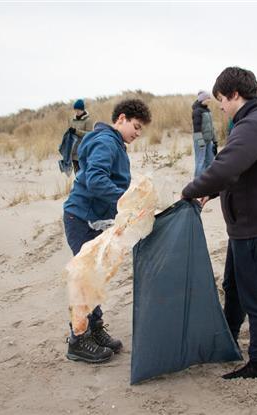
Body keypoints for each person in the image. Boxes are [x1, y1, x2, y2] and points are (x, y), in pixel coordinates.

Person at [181, 67, 257, 380]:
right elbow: (239, 172)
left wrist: (191, 190)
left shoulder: (253, 124)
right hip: (247, 226)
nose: (221, 107)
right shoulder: (252, 122)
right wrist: (210, 194)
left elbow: (226, 167)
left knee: (255, 296)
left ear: (235, 95)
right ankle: (228, 340)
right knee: (234, 288)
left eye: (222, 101)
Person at [63, 98, 151, 363]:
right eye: (135, 126)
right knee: (85, 278)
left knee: (96, 276)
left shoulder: (116, 144)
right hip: (80, 218)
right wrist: (127, 200)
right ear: (121, 118)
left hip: (97, 220)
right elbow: (96, 179)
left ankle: (96, 329)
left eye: (141, 130)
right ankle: (78, 341)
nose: (137, 133)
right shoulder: (105, 141)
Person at [192, 91, 216, 177]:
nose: (210, 100)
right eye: (208, 98)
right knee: (200, 162)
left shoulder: (208, 110)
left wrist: (215, 141)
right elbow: (196, 129)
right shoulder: (197, 111)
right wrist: (201, 143)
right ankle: (197, 183)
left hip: (209, 141)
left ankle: (206, 182)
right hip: (200, 141)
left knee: (210, 161)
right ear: (203, 99)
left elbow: (211, 127)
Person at [67, 99, 95, 174]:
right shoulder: (73, 120)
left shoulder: (88, 120)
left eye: (78, 110)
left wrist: (76, 131)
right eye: (75, 110)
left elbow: (89, 134)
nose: (76, 112)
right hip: (74, 151)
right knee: (77, 174)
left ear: (82, 110)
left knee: (83, 174)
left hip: (83, 151)